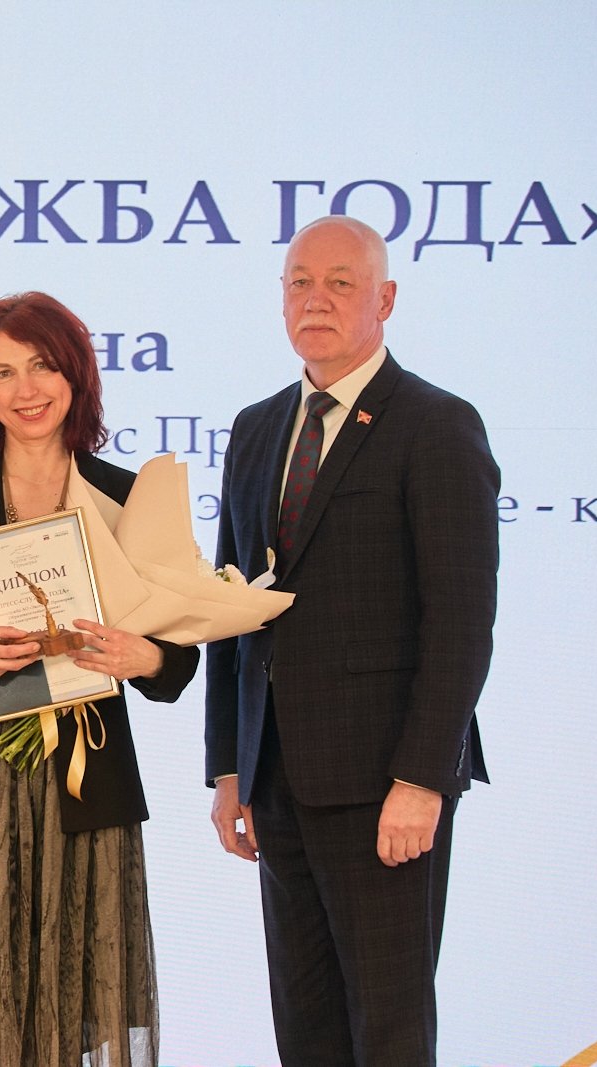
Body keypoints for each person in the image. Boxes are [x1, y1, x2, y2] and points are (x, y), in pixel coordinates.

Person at [0, 292, 200, 1067]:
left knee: (70, 1015)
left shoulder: (125, 494)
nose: (26, 389)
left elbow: (180, 659)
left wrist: (145, 657)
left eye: (43, 365)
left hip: (84, 792)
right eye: (3, 372)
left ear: (75, 375)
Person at [205, 216, 498, 1065]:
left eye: (341, 282)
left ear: (386, 298)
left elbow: (461, 620)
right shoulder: (257, 427)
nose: (317, 300)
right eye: (300, 282)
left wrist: (423, 777)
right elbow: (229, 606)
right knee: (307, 1034)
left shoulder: (436, 423)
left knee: (389, 1031)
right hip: (277, 783)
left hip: (385, 788)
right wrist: (229, 765)